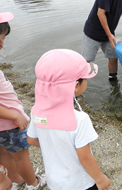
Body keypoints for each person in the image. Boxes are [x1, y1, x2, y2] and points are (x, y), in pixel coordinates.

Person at [27, 49, 111, 190]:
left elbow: (31, 140)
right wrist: (100, 179)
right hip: (81, 184)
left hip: (55, 182)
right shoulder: (80, 119)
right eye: (85, 79)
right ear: (76, 86)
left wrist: (56, 146)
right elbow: (85, 158)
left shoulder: (36, 112)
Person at [0, 12, 47, 190]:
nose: (3, 42)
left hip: (2, 126)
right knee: (21, 156)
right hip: (10, 123)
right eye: (3, 36)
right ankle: (33, 183)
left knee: (4, 152)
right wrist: (15, 116)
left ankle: (14, 179)